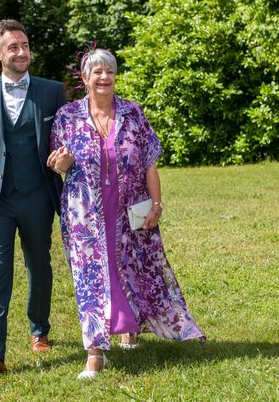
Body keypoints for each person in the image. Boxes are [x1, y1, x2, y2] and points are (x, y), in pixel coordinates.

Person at [48, 48, 206, 380]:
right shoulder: (67, 116)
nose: (104, 77)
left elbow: (150, 163)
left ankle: (129, 328)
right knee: (90, 278)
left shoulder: (133, 114)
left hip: (129, 210)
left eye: (109, 71)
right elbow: (58, 160)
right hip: (85, 215)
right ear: (85, 78)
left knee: (130, 269)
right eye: (97, 72)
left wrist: (157, 206)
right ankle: (95, 354)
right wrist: (62, 163)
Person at [0, 19, 66, 381]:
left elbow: (67, 139)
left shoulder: (52, 91)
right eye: (13, 47)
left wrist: (66, 157)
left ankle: (40, 330)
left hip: (38, 195)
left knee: (39, 266)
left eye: (25, 45)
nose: (22, 52)